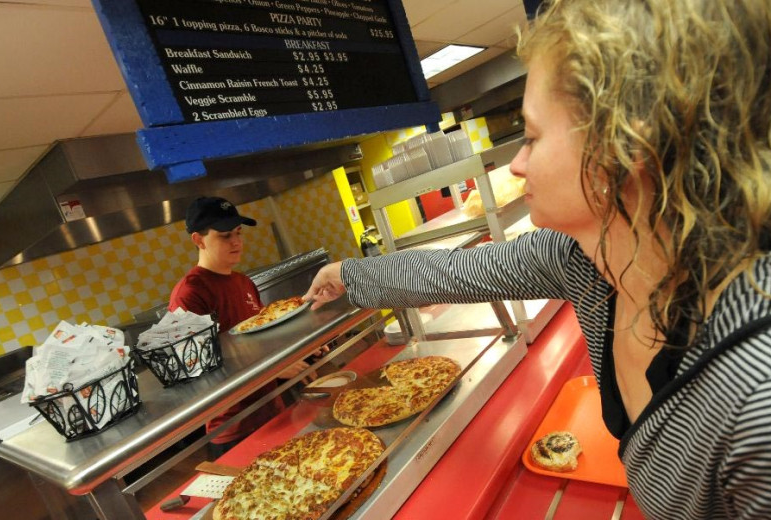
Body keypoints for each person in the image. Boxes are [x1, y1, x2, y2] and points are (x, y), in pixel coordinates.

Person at [304, 1, 771, 518]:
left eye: (531, 136)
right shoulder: (587, 261)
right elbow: (457, 271)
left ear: (623, 142)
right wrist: (349, 273)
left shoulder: (756, 393)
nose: (518, 163)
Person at [170, 196, 315, 456]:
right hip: (232, 427)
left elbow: (259, 339)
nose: (237, 242)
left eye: (238, 233)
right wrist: (273, 369)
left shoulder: (242, 281)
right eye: (225, 236)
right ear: (198, 240)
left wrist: (298, 352)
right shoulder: (190, 293)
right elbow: (196, 369)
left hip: (272, 408)